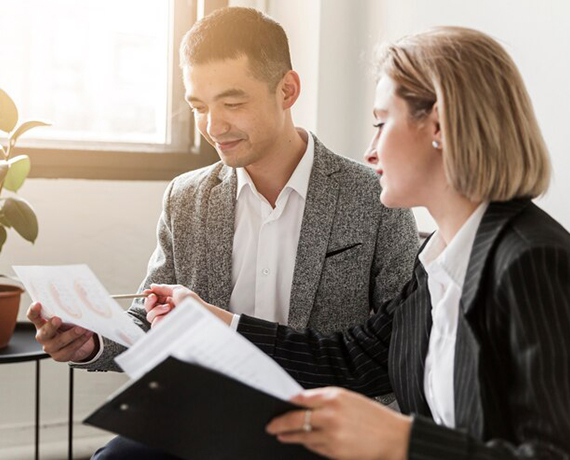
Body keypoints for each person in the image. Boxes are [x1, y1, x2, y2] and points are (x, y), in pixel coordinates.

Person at [149, 26, 570, 460]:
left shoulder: (532, 260)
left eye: (382, 123)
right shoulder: (437, 263)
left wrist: (399, 440)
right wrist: (220, 322)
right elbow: (349, 359)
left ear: (439, 127)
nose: (370, 152)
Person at [27, 7, 419, 460]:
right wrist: (92, 341)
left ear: (287, 90)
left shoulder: (373, 194)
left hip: (320, 426)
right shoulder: (186, 197)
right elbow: (149, 318)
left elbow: (399, 346)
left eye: (233, 104)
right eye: (199, 107)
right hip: (206, 418)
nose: (213, 127)